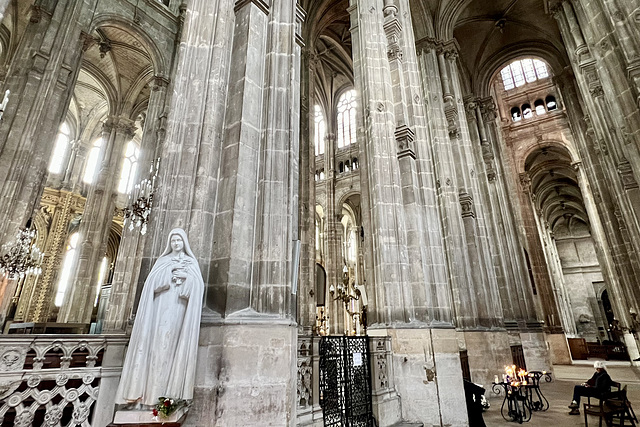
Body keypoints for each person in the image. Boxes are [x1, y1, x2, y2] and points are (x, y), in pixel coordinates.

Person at [116, 228, 204, 405]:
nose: (176, 244)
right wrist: (169, 270)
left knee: (171, 344)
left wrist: (186, 277)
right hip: (160, 309)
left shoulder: (190, 262)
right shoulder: (163, 261)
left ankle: (168, 395)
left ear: (184, 243)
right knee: (155, 347)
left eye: (179, 241)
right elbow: (151, 284)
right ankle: (148, 395)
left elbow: (198, 286)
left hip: (178, 309)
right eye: (173, 241)